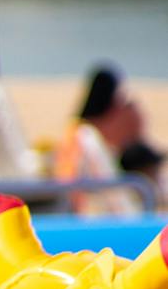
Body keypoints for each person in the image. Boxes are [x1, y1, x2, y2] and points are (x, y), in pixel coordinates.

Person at [55, 64, 164, 210]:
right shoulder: (86, 138)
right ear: (111, 108)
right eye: (124, 105)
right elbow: (116, 202)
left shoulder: (81, 133)